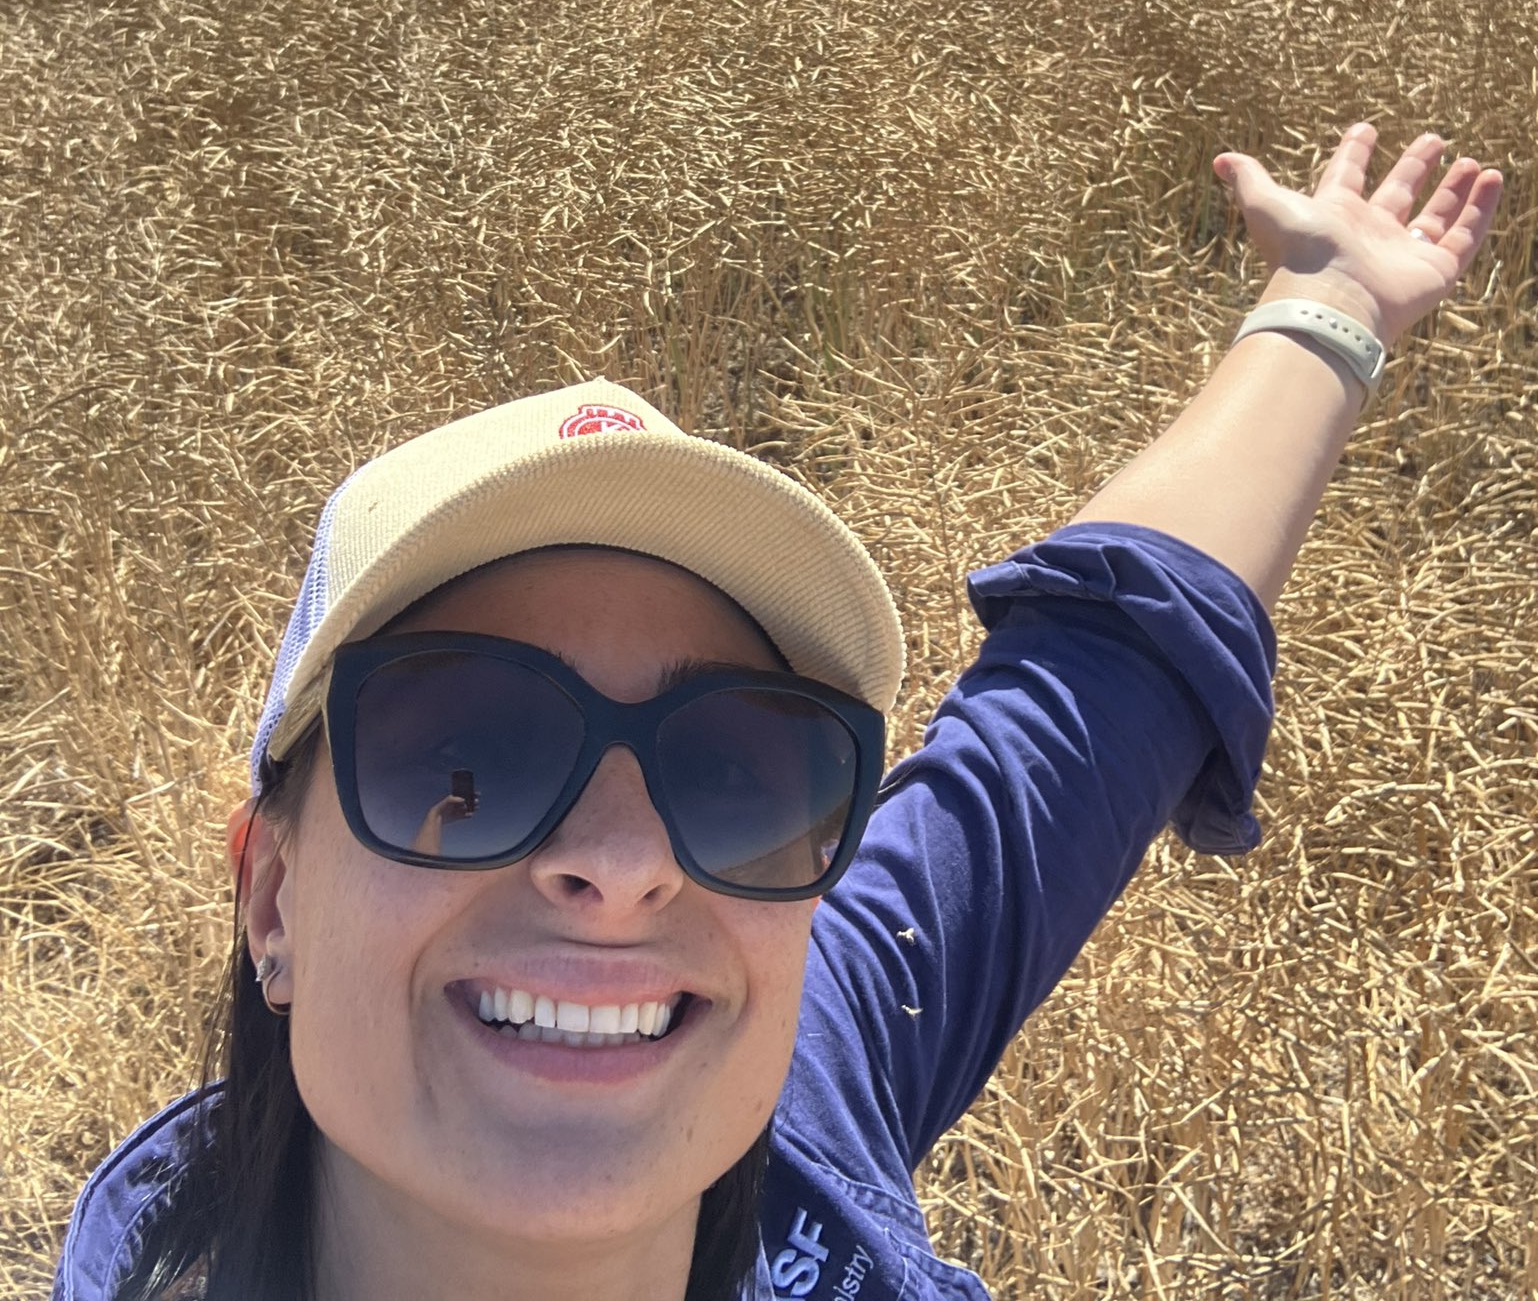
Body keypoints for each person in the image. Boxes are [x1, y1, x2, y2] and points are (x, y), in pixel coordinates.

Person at [51, 123, 1503, 1301]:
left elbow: (1094, 679)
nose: (626, 864)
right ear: (272, 899)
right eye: (467, 761)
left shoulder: (809, 1069)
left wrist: (1332, 300)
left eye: (736, 775)